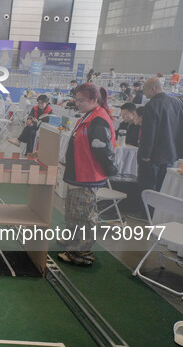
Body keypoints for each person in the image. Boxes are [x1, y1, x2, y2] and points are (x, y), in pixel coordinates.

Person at [59, 82, 117, 267]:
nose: (77, 103)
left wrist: (110, 170)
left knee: (84, 215)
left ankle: (82, 252)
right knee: (73, 212)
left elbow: (103, 149)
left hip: (88, 176)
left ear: (94, 99)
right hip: (78, 173)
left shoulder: (99, 119)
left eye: (81, 100)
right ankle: (72, 240)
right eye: (76, 100)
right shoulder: (89, 116)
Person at [137, 77, 183, 192]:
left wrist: (145, 154)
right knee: (163, 188)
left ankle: (147, 210)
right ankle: (158, 210)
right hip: (172, 155)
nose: (144, 92)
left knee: (148, 188)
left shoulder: (152, 105)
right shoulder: (177, 103)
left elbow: (149, 133)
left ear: (153, 89)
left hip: (153, 155)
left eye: (145, 90)